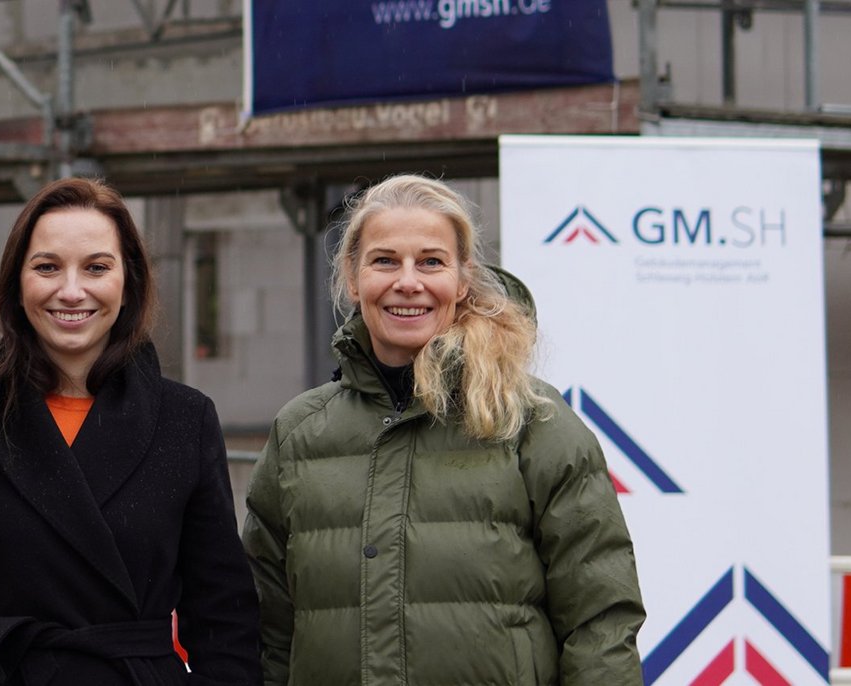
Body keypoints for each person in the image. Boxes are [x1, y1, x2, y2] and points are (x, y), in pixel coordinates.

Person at [242, 174, 645, 685]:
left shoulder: (530, 420)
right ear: (352, 276)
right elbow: (269, 631)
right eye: (385, 260)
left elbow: (600, 620)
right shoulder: (299, 434)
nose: (408, 282)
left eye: (430, 261)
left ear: (462, 277)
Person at [0, 178, 260, 685]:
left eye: (97, 267)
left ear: (129, 282)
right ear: (17, 282)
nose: (71, 290)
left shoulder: (185, 420)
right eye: (47, 267)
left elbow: (224, 621)